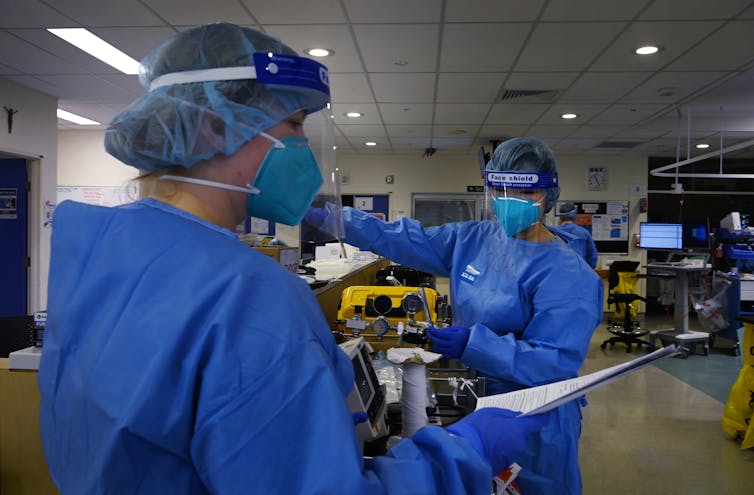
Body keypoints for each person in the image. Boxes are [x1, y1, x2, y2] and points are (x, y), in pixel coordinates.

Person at [37, 22, 546, 495]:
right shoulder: (245, 292)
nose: (304, 146)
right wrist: (461, 452)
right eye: (296, 124)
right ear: (215, 127)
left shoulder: (97, 251)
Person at [326, 137, 604, 495]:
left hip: (533, 417)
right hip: (477, 400)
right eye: (501, 192)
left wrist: (473, 343)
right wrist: (336, 217)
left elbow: (553, 361)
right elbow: (403, 238)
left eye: (523, 193)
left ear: (547, 196)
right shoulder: (475, 239)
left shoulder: (568, 274)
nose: (510, 203)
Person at [554, 201, 599, 268]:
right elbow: (592, 256)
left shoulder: (553, 232)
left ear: (560, 217)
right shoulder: (584, 233)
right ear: (575, 216)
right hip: (580, 272)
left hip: (559, 272)